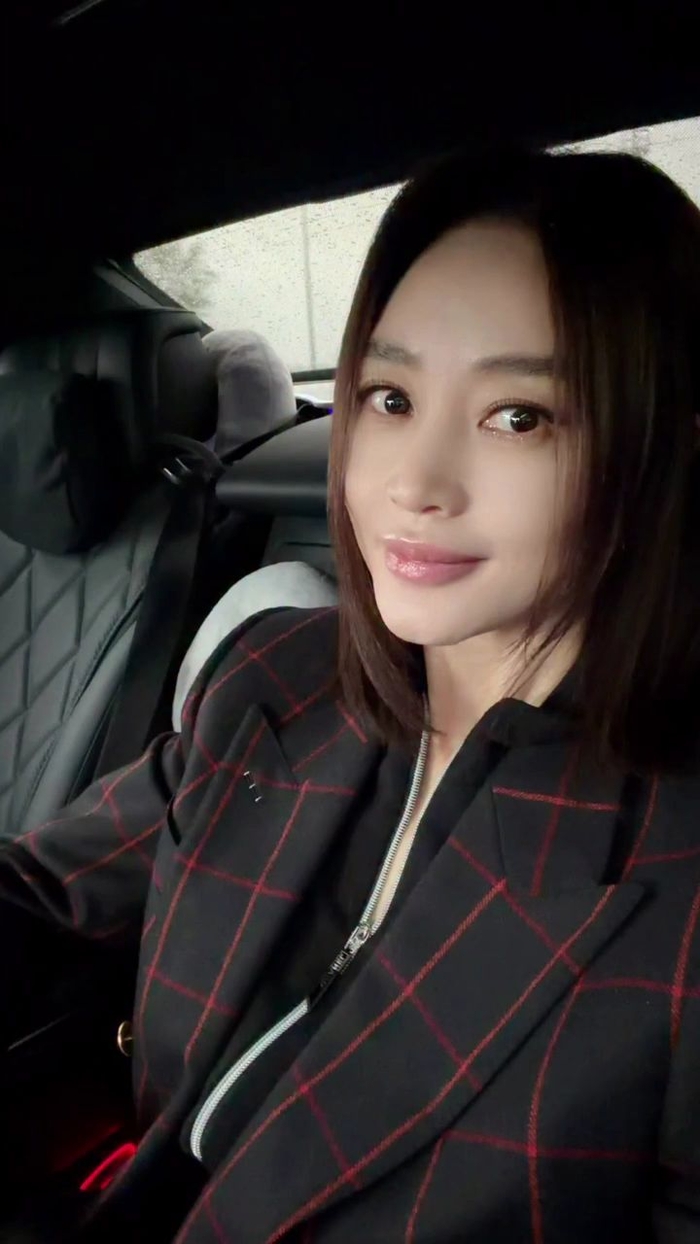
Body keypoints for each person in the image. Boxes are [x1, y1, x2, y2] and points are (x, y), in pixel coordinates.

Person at [2, 146, 700, 1244]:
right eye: (390, 396)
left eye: (518, 415)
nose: (413, 482)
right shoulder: (274, 681)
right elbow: (40, 895)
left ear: (662, 445)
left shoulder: (674, 872)